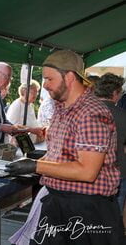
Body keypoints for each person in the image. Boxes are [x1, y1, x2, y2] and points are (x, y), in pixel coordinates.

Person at [7, 50, 124, 244]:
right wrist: (35, 162)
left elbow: (87, 171)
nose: (44, 85)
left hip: (87, 209)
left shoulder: (91, 112)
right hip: (59, 203)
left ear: (69, 76)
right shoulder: (61, 109)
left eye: (49, 79)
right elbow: (59, 156)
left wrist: (35, 166)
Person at [94, 72, 126, 230]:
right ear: (115, 93)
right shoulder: (123, 115)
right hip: (118, 172)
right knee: (114, 216)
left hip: (88, 172)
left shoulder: (85, 112)